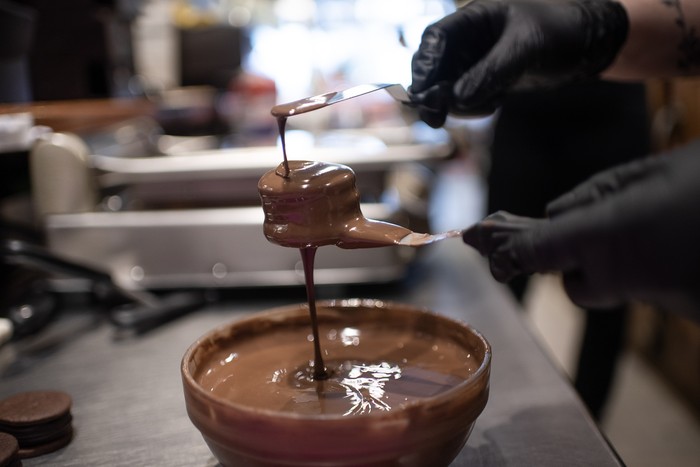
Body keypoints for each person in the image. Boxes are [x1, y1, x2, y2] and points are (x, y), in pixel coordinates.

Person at [408, 0, 700, 324]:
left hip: (614, 109)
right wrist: (600, 27)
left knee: (609, 291)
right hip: (531, 90)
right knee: (501, 276)